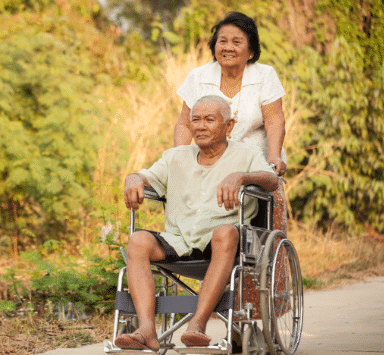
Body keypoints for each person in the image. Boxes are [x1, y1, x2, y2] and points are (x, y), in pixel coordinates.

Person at [115, 95, 278, 351]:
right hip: (179, 240)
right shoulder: (175, 157)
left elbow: (272, 181)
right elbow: (143, 176)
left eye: (209, 120)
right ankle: (147, 329)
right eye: (195, 120)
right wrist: (132, 179)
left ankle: (197, 325)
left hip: (222, 244)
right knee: (138, 240)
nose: (200, 126)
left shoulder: (246, 154)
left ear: (229, 126)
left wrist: (241, 177)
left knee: (225, 231)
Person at [174, 11, 287, 233]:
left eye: (237, 42)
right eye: (222, 41)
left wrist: (274, 156)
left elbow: (274, 120)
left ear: (251, 51)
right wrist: (179, 158)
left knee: (263, 236)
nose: (228, 47)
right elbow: (185, 124)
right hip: (210, 164)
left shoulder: (265, 75)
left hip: (255, 166)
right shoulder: (198, 77)